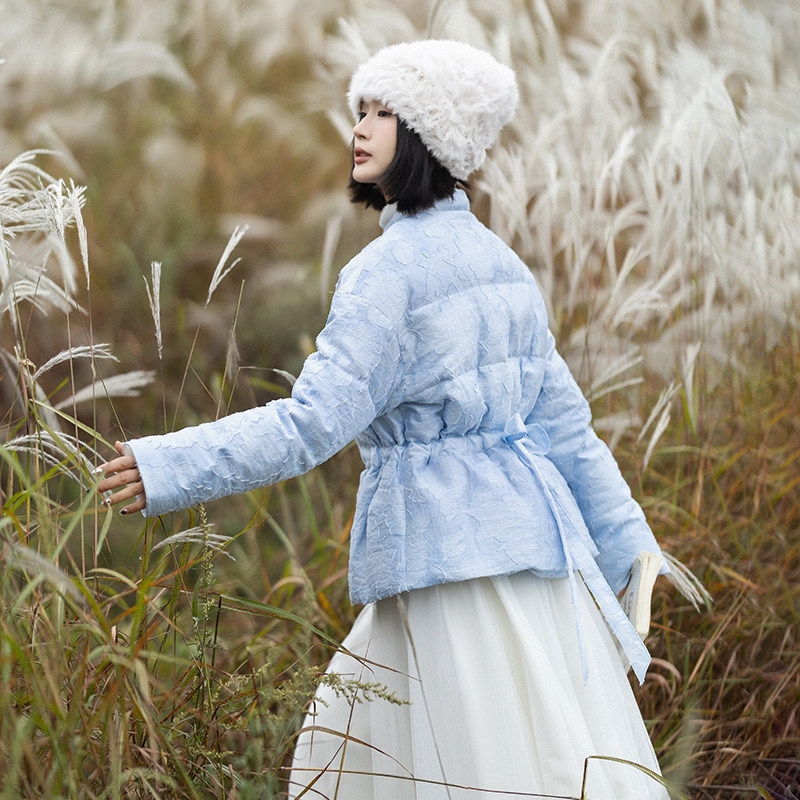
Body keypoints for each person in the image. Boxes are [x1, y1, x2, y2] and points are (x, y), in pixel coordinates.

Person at [98, 40, 675, 799]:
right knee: (538, 757)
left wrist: (168, 465)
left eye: (385, 112)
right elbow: (569, 433)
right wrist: (631, 552)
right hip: (535, 573)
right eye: (360, 110)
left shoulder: (385, 275)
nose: (361, 128)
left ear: (432, 137)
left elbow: (310, 424)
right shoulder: (506, 265)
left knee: (384, 761)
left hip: (444, 576)